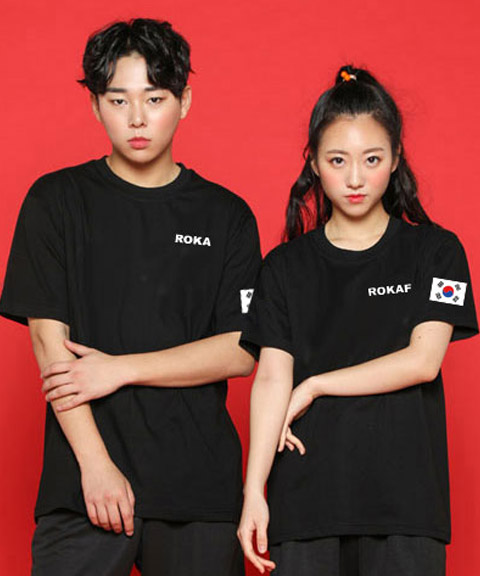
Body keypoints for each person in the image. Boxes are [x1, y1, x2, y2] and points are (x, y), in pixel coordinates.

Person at [0, 18, 260, 576]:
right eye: (119, 99)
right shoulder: (56, 201)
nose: (137, 118)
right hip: (83, 486)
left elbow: (243, 349)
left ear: (184, 102)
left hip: (198, 489)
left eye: (155, 98)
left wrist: (119, 369)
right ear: (96, 105)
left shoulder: (227, 215)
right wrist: (95, 466)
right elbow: (49, 345)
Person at [237, 65, 478, 576]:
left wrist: (316, 385)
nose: (354, 179)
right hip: (305, 503)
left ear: (395, 158)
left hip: (405, 507)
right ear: (313, 162)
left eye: (372, 159)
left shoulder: (436, 252)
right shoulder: (283, 267)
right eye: (337, 160)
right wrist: (254, 491)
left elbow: (423, 362)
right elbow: (273, 378)